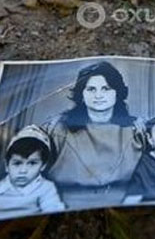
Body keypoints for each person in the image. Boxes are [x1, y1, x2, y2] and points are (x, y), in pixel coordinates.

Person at [44, 61, 144, 208]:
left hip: (128, 207)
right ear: (81, 94)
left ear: (117, 92)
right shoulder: (58, 128)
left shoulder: (136, 129)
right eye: (91, 89)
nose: (98, 95)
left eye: (106, 88)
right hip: (64, 207)